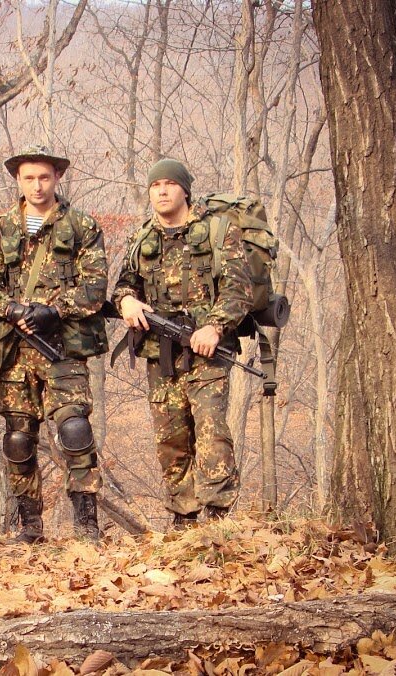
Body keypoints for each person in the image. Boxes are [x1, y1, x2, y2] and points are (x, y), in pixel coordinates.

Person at [0, 146, 109, 543]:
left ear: (57, 179)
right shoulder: (1, 228)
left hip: (63, 348)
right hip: (14, 353)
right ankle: (30, 525)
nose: (37, 185)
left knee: (75, 430)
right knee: (18, 437)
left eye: (44, 177)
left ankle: (86, 525)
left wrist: (55, 310)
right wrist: (11, 308)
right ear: (18, 180)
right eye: (29, 178)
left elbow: (96, 287)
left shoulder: (81, 226)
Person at [112, 158, 253, 528]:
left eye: (169, 184)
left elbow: (239, 289)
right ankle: (183, 519)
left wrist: (216, 328)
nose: (161, 191)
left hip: (206, 350)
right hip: (161, 354)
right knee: (170, 437)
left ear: (184, 189)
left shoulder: (217, 232)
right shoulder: (142, 239)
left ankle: (219, 518)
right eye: (154, 185)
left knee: (210, 431)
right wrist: (126, 300)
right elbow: (125, 285)